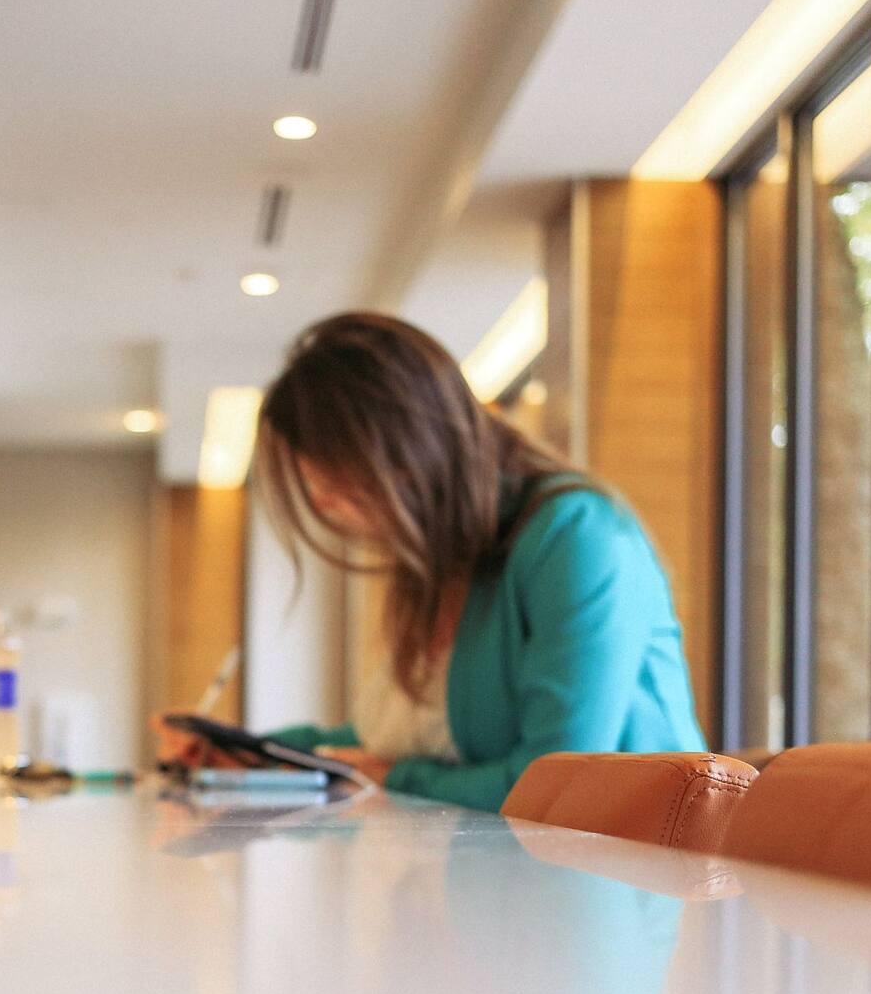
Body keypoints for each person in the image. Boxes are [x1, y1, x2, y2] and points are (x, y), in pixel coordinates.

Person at [182, 311, 706, 813]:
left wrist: (395, 777)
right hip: (513, 876)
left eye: (338, 484)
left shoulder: (575, 536)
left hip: (628, 878)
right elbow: (381, 743)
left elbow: (556, 784)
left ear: (409, 456)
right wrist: (243, 752)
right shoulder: (444, 565)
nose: (323, 505)